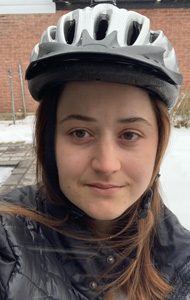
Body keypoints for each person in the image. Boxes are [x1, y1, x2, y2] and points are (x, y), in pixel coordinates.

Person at [0, 1, 190, 299]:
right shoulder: (7, 240)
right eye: (79, 132)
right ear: (49, 141)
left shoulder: (184, 260)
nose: (106, 164)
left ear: (158, 144)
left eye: (129, 134)